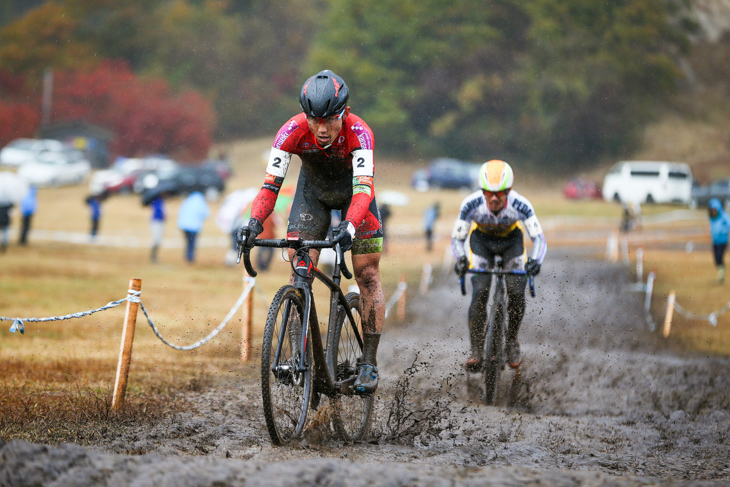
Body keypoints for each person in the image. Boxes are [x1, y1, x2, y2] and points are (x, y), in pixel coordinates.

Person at [236, 69, 385, 394]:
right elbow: (270, 187)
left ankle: (369, 363)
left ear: (343, 112)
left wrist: (348, 225)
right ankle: (297, 356)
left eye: (329, 120)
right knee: (299, 271)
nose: (320, 128)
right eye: (313, 119)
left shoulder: (360, 133)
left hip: (355, 200)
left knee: (368, 275)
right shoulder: (291, 131)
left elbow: (363, 190)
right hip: (312, 196)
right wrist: (253, 223)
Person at [451, 160, 547, 371]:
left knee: (515, 292)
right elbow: (457, 239)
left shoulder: (521, 204)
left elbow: (540, 239)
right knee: (480, 291)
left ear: (509, 190)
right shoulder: (471, 204)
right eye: (489, 192)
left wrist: (536, 262)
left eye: (500, 193)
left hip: (511, 242)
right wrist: (460, 259)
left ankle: (512, 340)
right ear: (482, 190)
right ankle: (476, 350)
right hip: (481, 242)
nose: (494, 198)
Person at [177, 191, 210, 263]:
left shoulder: (187, 200)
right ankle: (190, 258)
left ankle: (187, 255)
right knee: (192, 242)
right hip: (194, 226)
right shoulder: (201, 203)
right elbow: (206, 214)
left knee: (188, 241)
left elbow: (180, 211)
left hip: (184, 225)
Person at [708, 198, 730, 284]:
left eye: (714, 209)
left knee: (719, 257)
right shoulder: (712, 218)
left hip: (723, 241)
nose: (713, 211)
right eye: (712, 209)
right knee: (716, 259)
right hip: (715, 241)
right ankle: (720, 273)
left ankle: (721, 275)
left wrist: (722, 231)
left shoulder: (724, 217)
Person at [149, 195, 166, 263]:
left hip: (160, 221)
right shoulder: (156, 200)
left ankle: (154, 256)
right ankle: (153, 256)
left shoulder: (161, 200)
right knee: (156, 240)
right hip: (156, 221)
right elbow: (158, 211)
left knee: (158, 240)